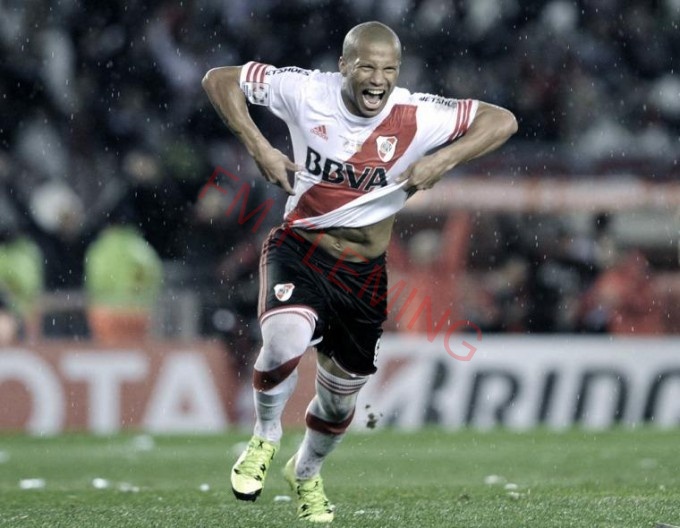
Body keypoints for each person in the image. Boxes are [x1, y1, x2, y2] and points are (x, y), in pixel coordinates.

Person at [202, 21, 517, 523]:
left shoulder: (417, 114)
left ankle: (305, 473)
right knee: (282, 341)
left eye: (389, 69)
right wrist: (260, 147)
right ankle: (264, 438)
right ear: (343, 66)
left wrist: (444, 160)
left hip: (363, 274)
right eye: (367, 67)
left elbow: (502, 121)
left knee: (336, 404)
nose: (378, 79)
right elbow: (219, 79)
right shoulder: (306, 90)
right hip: (301, 248)